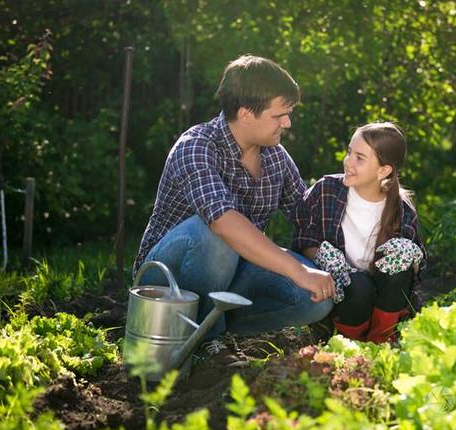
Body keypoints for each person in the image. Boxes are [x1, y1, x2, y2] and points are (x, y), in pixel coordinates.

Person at [134, 55, 335, 349]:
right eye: (279, 115)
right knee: (215, 236)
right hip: (165, 280)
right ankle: (207, 343)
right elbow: (224, 222)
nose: (288, 123)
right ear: (245, 114)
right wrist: (298, 270)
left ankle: (215, 328)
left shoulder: (276, 157)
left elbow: (306, 216)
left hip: (232, 271)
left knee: (315, 299)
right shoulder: (196, 147)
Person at [293, 122, 427, 343]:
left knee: (399, 272)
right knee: (359, 286)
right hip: (344, 296)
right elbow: (303, 239)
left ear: (383, 170)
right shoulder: (326, 191)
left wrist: (412, 257)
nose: (348, 161)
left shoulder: (401, 210)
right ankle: (346, 341)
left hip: (385, 297)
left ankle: (382, 339)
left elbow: (413, 278)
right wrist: (321, 256)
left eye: (360, 158)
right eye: (349, 152)